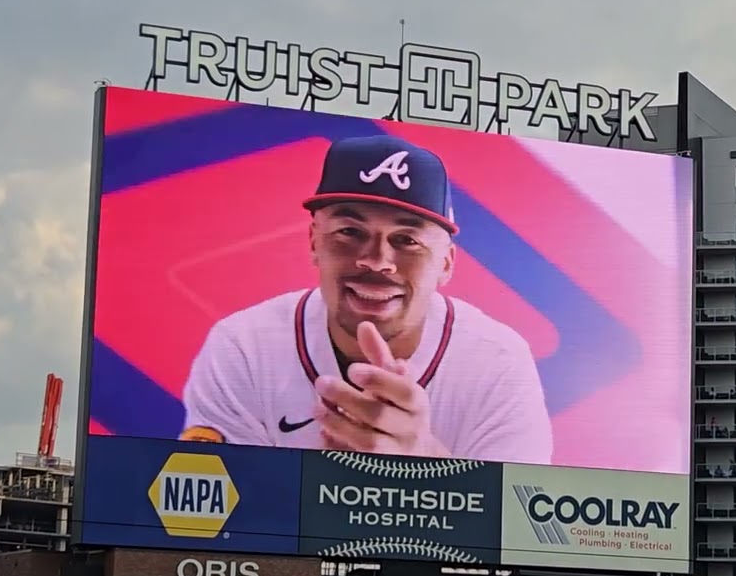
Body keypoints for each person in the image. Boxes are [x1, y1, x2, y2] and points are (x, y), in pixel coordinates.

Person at [177, 133, 553, 463]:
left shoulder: (498, 362)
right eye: (349, 231)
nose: (376, 260)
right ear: (314, 242)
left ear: (446, 264)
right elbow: (214, 515)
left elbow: (514, 530)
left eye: (407, 240)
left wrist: (425, 460)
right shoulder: (243, 346)